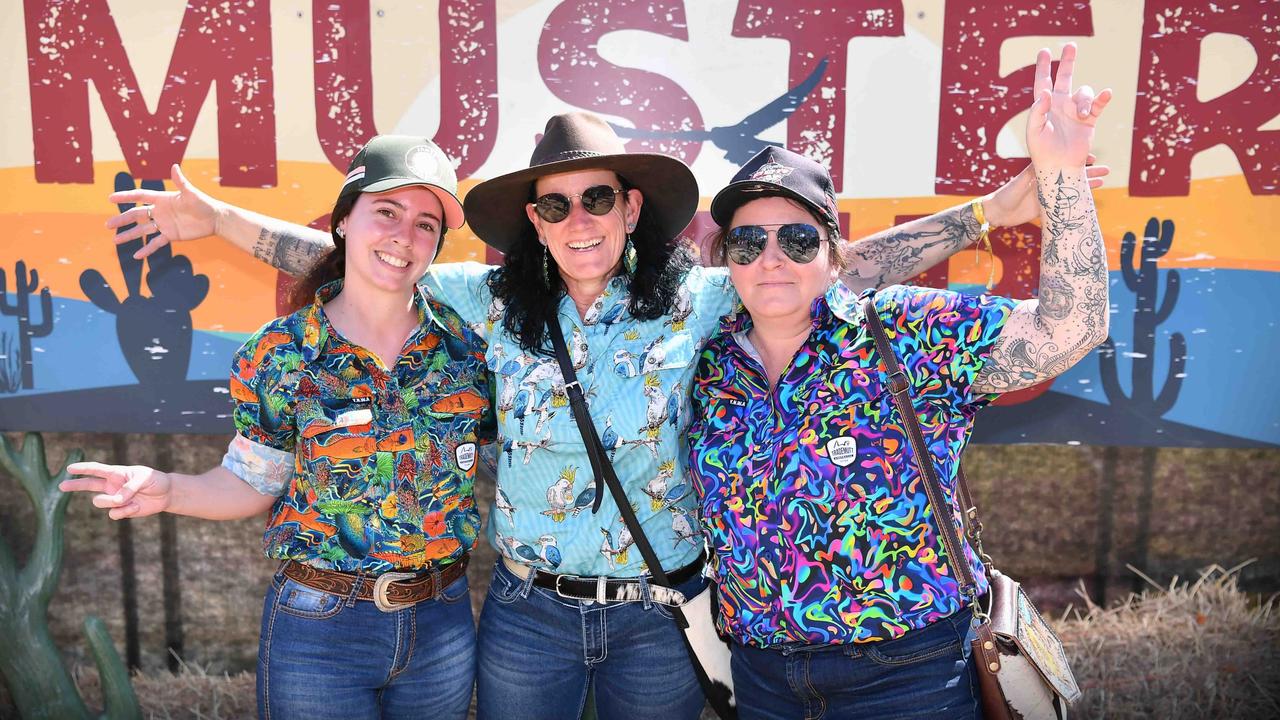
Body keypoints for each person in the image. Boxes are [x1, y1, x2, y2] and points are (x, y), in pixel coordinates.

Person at [101, 59, 1106, 720]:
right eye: (554, 203)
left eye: (596, 198)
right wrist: (220, 223)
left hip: (658, 615)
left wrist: (991, 210)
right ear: (530, 220)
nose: (577, 218)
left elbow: (825, 265)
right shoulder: (483, 300)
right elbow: (362, 255)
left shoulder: (702, 299)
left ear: (629, 208)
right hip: (528, 616)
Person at [685, 44, 1109, 719]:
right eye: (747, 243)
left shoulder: (904, 333)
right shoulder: (703, 361)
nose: (770, 260)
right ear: (725, 262)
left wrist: (1060, 179)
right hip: (762, 676)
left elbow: (1070, 329)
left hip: (908, 674)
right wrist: (984, 213)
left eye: (796, 241)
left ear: (833, 254)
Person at [62, 136, 493, 720]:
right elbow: (251, 481)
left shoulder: (467, 350)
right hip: (321, 632)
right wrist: (170, 489)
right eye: (386, 212)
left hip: (442, 627)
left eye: (426, 224)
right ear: (344, 222)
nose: (403, 236)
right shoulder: (282, 353)